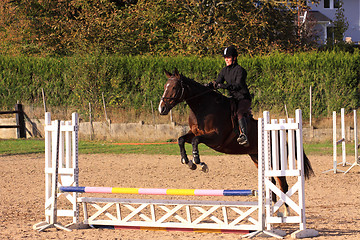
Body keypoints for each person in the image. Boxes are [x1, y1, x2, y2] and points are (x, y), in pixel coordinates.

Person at [208, 45, 252, 146]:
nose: (226, 60)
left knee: (239, 113)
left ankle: (244, 135)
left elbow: (237, 85)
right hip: (233, 99)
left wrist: (223, 86)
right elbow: (218, 82)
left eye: (228, 57)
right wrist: (210, 85)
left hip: (243, 98)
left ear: (234, 58)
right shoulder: (224, 71)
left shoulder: (241, 70)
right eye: (225, 58)